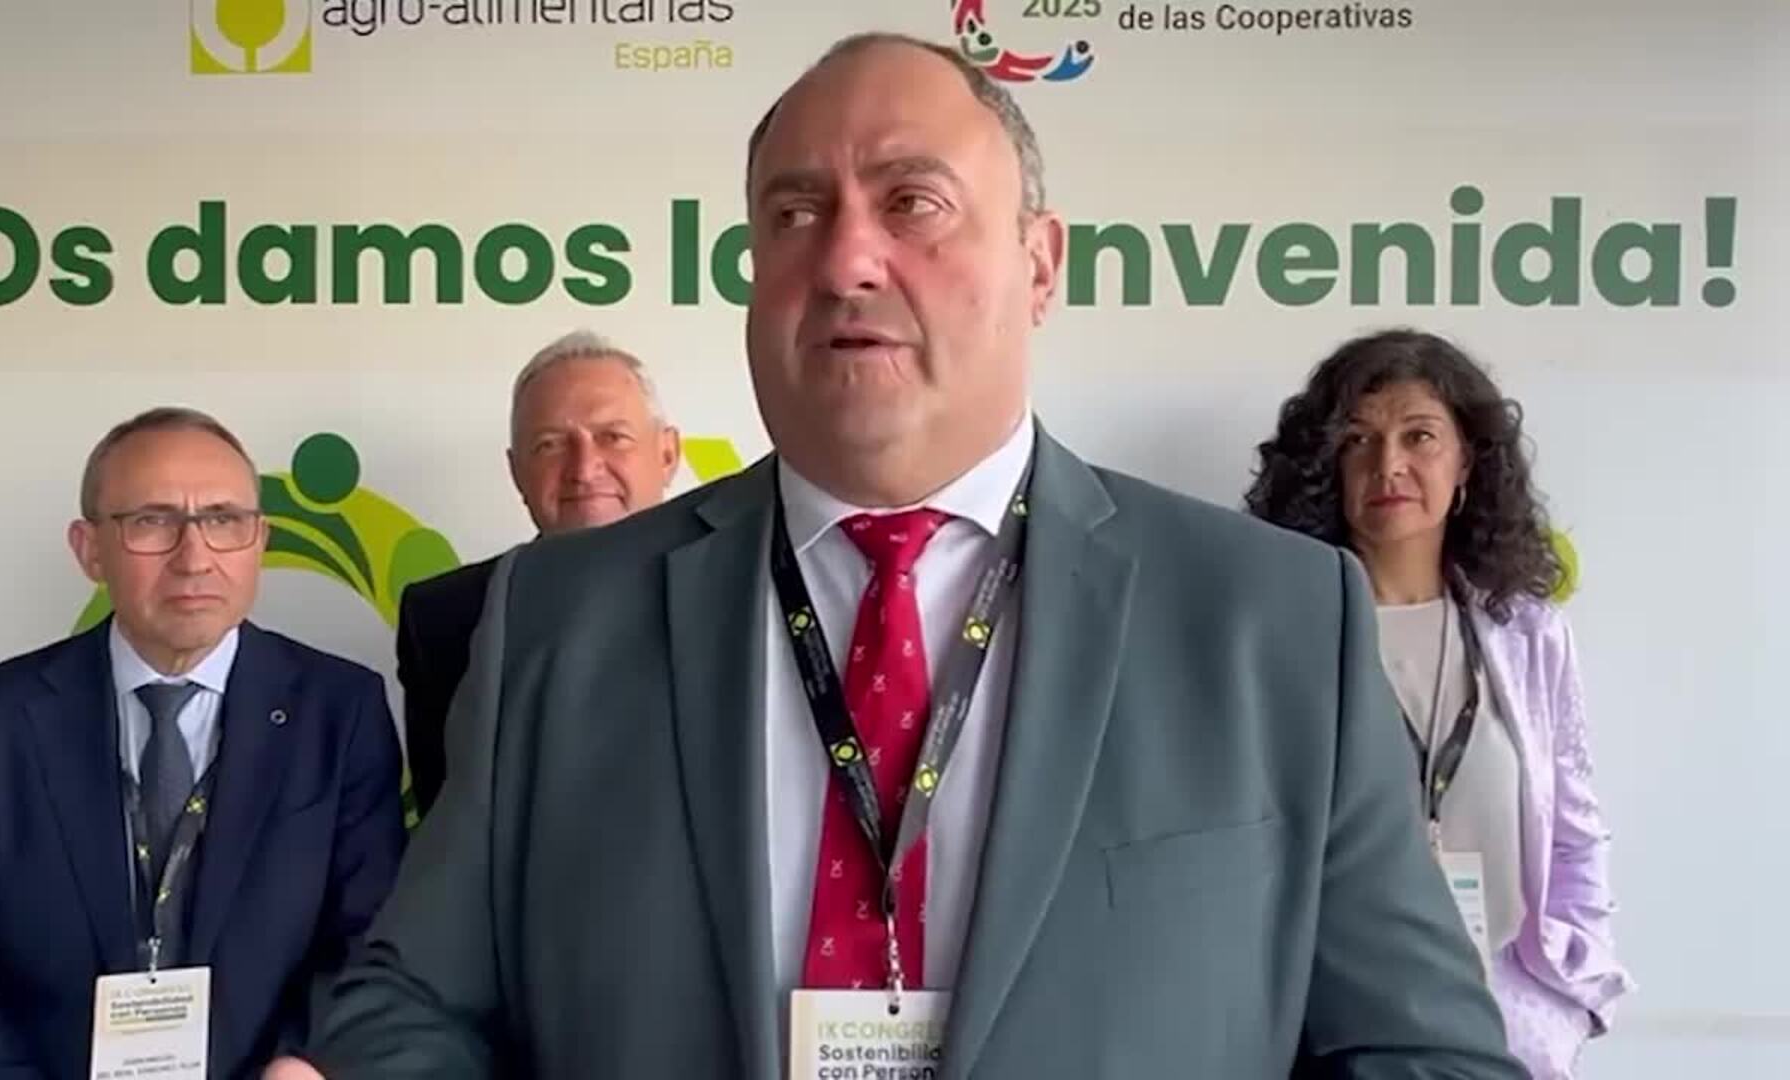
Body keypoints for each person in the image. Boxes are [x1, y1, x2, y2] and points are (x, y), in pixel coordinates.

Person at [268, 33, 1524, 1078]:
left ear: (1040, 262)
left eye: (912, 202)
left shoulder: (1272, 619)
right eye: (795, 213)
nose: (846, 258)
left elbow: (1422, 1052)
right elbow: (411, 1004)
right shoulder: (560, 617)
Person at [0, 407, 405, 1079]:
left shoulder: (340, 710)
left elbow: (369, 945)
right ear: (89, 549)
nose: (194, 558)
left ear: (260, 540)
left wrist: (304, 1063)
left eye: (223, 520)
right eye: (153, 521)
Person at [1244, 329, 1633, 1077]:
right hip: (1333, 1031)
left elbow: (1574, 833)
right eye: (1358, 439)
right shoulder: (1279, 634)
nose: (1388, 463)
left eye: (1418, 435)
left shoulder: (1526, 633)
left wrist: (1575, 1000)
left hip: (1509, 1029)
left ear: (1466, 466)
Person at [395, 330, 681, 814]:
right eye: (550, 445)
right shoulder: (443, 618)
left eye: (613, 437)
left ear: (668, 454)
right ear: (516, 472)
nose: (583, 468)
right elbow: (447, 824)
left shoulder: (747, 595)